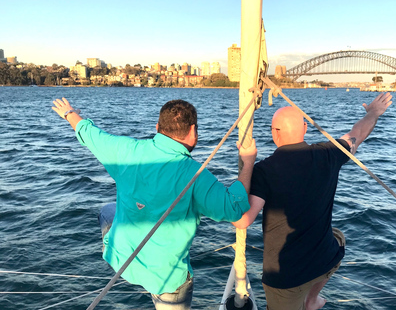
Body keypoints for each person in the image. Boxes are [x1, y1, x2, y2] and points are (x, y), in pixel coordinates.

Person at [52, 98, 257, 310]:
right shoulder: (195, 175)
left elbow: (90, 135)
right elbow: (234, 208)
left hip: (123, 260)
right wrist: (249, 161)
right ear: (193, 131)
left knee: (107, 211)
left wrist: (69, 113)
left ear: (158, 128)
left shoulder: (125, 150)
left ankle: (117, 244)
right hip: (166, 279)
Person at [232, 92, 393, 310]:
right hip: (324, 261)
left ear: (274, 133)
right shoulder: (328, 154)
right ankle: (311, 300)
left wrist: (248, 163)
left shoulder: (264, 170)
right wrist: (374, 113)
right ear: (305, 129)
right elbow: (358, 134)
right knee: (338, 238)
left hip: (286, 278)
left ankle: (307, 301)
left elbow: (242, 221)